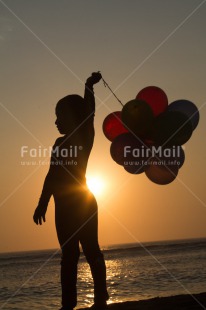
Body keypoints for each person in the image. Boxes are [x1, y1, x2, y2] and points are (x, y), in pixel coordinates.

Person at [33, 72, 109, 310]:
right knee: (68, 257)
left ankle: (99, 299)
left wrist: (88, 87)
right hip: (62, 208)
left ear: (74, 117)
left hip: (83, 203)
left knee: (91, 249)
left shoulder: (84, 136)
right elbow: (51, 176)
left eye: (60, 116)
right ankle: (68, 305)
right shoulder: (57, 145)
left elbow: (90, 114)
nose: (56, 121)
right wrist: (42, 203)